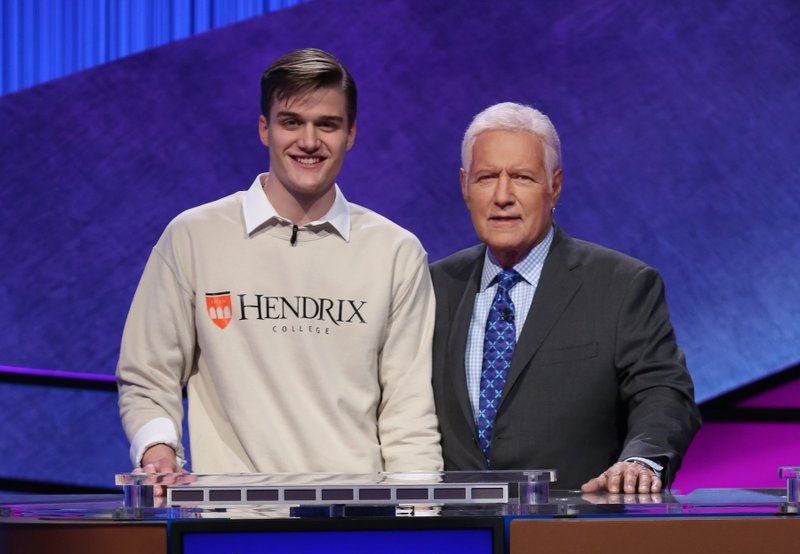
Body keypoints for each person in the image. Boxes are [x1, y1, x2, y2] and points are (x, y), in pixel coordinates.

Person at [116, 48, 442, 479]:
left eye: (327, 124)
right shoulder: (195, 236)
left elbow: (409, 415)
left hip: (356, 525)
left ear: (351, 134)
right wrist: (158, 452)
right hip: (231, 524)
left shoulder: (395, 252)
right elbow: (148, 375)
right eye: (292, 122)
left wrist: (417, 528)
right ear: (264, 129)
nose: (309, 142)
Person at [431, 102, 700, 493]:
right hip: (455, 538)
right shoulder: (432, 286)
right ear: (464, 186)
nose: (502, 195)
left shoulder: (621, 285)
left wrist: (641, 458)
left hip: (571, 533)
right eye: (487, 177)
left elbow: (662, 390)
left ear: (554, 185)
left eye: (522, 177)